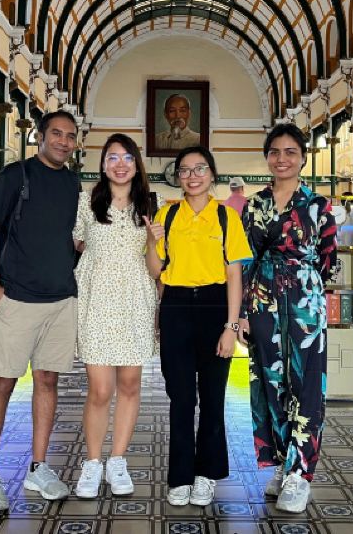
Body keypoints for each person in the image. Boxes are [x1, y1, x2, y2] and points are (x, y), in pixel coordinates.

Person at [0, 110, 81, 512]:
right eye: (57, 133)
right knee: (2, 382)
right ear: (40, 136)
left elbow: (73, 237)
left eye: (70, 136)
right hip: (17, 299)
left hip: (61, 300)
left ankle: (38, 467)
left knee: (48, 381)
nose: (63, 141)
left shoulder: (72, 183)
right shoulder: (15, 176)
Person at [240, 124, 337, 514]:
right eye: (275, 152)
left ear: (303, 158)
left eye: (290, 151)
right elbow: (243, 261)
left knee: (306, 383)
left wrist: (305, 287)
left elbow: (328, 261)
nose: (282, 159)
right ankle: (283, 462)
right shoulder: (254, 205)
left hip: (304, 302)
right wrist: (243, 312)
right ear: (267, 157)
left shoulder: (319, 205)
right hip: (262, 300)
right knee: (271, 381)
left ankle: (300, 473)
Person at [149, 146, 252, 507]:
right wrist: (151, 241)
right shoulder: (167, 215)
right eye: (185, 170)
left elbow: (234, 275)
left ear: (212, 174)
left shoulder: (226, 217)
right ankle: (180, 476)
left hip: (214, 305)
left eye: (200, 169)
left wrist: (230, 326)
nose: (192, 176)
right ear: (177, 177)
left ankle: (206, 473)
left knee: (212, 395)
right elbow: (155, 270)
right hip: (176, 306)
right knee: (180, 396)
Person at [72, 134, 163, 499]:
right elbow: (78, 243)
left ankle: (117, 460)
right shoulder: (86, 202)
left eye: (127, 157)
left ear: (137, 164)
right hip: (96, 300)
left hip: (135, 300)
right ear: (103, 164)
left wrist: (153, 240)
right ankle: (93, 462)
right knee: (99, 388)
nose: (120, 164)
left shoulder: (151, 204)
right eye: (113, 157)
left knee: (129, 385)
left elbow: (155, 269)